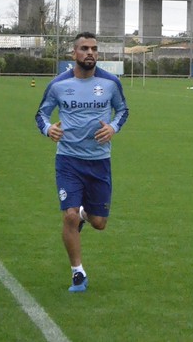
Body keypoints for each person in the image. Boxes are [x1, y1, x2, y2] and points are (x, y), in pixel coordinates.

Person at [35, 32, 129, 292]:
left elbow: (123, 110)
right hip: (68, 160)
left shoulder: (110, 83)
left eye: (94, 49)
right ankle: (78, 273)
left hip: (99, 161)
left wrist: (112, 128)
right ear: (73, 53)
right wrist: (47, 129)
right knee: (69, 215)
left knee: (99, 223)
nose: (90, 53)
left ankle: (87, 215)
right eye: (84, 48)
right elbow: (41, 114)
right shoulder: (58, 84)